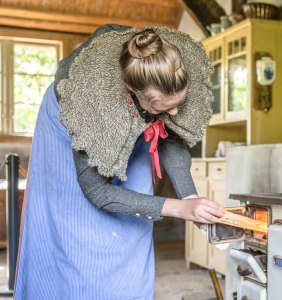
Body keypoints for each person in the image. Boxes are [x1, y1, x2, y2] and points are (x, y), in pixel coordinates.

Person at [14, 25, 225, 299]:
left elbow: (171, 134)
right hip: (71, 118)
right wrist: (179, 208)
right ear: (131, 91)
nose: (174, 112)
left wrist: (191, 198)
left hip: (131, 109)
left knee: (134, 216)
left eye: (178, 104)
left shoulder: (171, 71)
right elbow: (98, 191)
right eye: (165, 108)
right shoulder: (92, 101)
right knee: (77, 228)